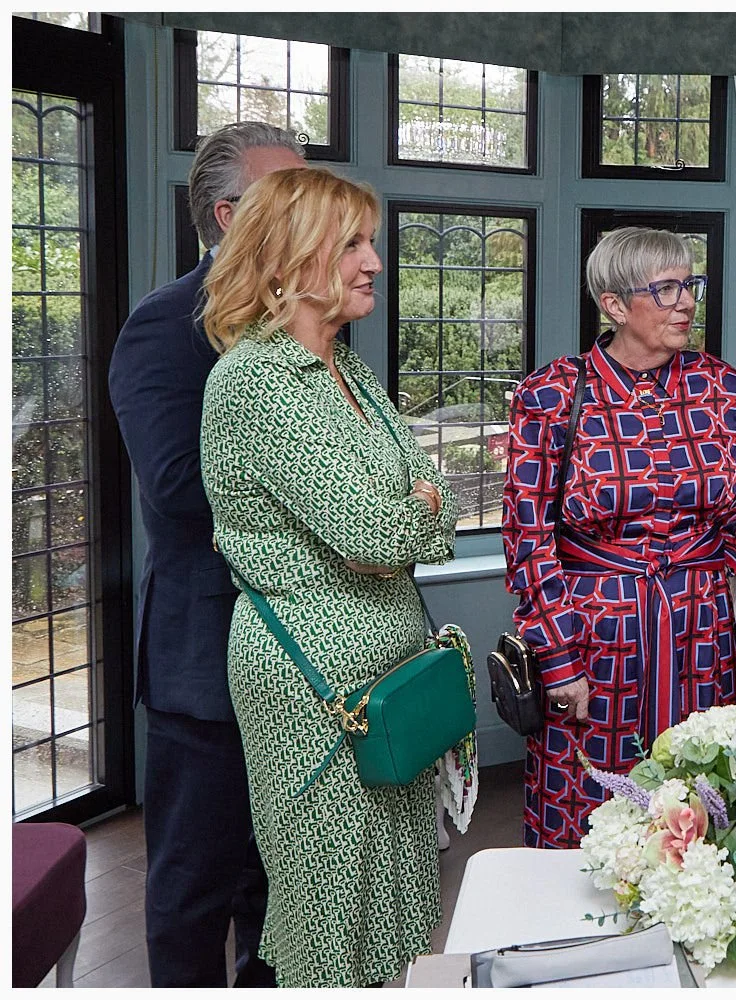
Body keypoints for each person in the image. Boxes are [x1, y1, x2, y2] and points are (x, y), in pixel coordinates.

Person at [198, 167, 459, 988]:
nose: (374, 261)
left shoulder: (351, 372)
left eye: (369, 241)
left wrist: (415, 514)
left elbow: (430, 500)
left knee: (403, 891)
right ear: (283, 261)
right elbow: (376, 532)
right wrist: (410, 515)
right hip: (315, 693)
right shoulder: (255, 383)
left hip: (392, 689)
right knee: (331, 904)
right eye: (350, 243)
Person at [107, 120, 304, 988]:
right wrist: (337, 501)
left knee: (283, 892)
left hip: (305, 662)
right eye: (284, 195)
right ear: (227, 216)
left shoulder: (310, 331)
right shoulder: (160, 330)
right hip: (208, 668)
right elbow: (183, 492)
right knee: (194, 894)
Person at [501, 227, 736, 849]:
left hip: (698, 630)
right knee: (591, 808)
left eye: (690, 286)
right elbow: (528, 535)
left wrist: (711, 566)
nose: (686, 303)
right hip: (595, 636)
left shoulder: (720, 389)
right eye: (667, 289)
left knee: (701, 802)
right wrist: (560, 660)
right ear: (615, 304)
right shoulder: (552, 395)